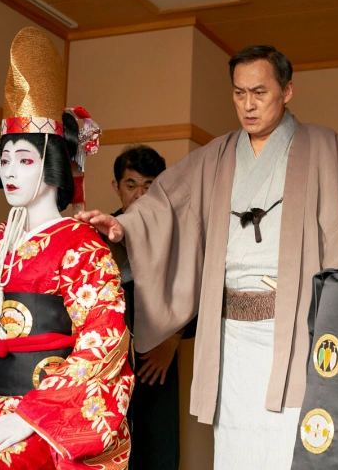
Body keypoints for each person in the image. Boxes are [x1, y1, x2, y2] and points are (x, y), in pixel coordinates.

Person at [76, 44, 338, 469]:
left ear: (287, 91)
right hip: (229, 334)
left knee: (290, 443)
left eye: (259, 93)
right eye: (239, 93)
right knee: (234, 445)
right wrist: (125, 228)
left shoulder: (324, 147)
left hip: (294, 328)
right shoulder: (216, 156)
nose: (248, 105)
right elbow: (165, 206)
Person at [0, 27, 133, 469]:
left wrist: (34, 415)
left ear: (53, 164)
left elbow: (103, 338)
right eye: (4, 160)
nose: (10, 172)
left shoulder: (82, 249)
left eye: (24, 160)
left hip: (42, 413)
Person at [106, 144, 195, 470]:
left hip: (157, 355)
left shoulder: (178, 233)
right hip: (108, 355)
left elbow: (195, 288)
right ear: (116, 187)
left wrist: (172, 341)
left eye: (149, 185)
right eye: (131, 185)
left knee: (158, 441)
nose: (140, 195)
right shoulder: (102, 232)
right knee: (111, 438)